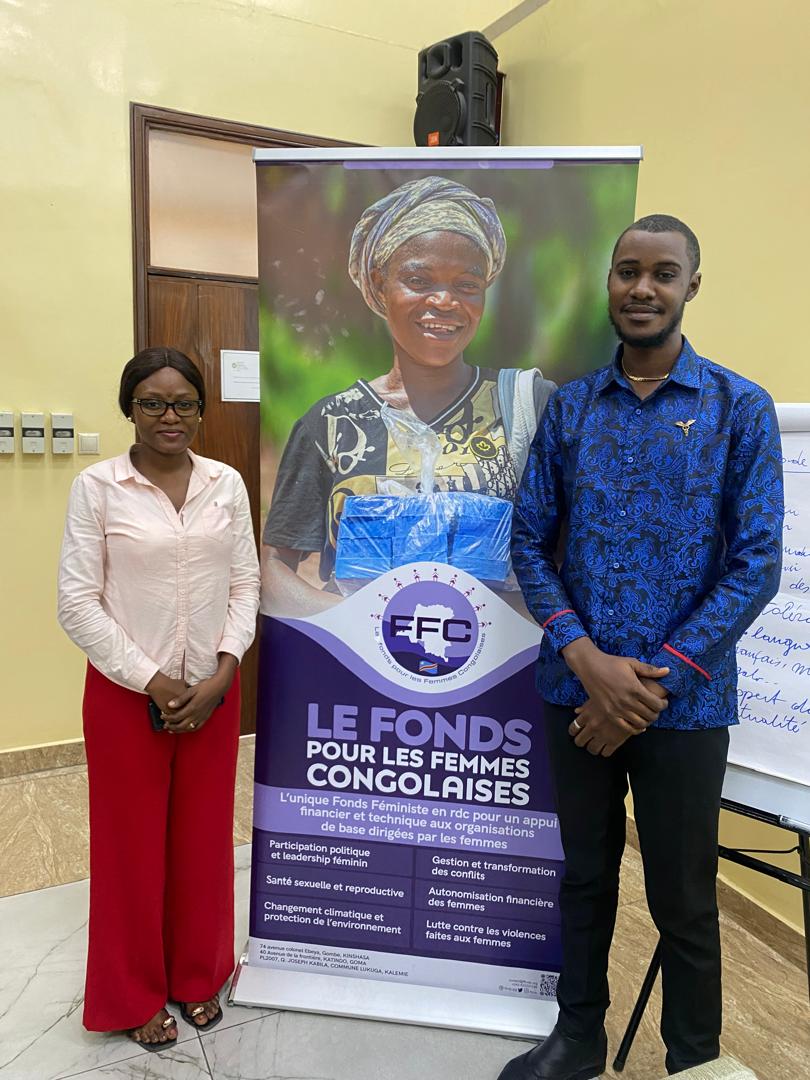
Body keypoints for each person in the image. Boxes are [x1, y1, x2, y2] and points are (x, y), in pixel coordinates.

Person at [502, 215, 784, 1079]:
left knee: (686, 902)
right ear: (610, 283)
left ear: (691, 285)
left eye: (663, 273)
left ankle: (693, 1062)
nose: (643, 288)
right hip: (574, 697)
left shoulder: (740, 408)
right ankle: (577, 1038)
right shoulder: (573, 409)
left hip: (686, 707)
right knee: (584, 878)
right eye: (628, 272)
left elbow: (757, 563)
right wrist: (589, 663)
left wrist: (647, 688)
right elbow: (527, 542)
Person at [57, 348, 260, 1050]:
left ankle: (198, 974)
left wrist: (224, 670)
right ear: (130, 409)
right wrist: (152, 679)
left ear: (203, 410)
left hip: (212, 693)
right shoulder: (97, 487)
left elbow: (246, 585)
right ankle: (131, 993)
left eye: (183, 403)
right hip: (124, 697)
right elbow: (77, 603)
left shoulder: (225, 484)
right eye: (153, 403)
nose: (169, 416)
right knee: (130, 850)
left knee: (204, 842)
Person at [262, 175, 555, 615]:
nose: (444, 301)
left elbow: (575, 554)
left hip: (503, 672)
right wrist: (369, 623)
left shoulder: (529, 405)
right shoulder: (331, 424)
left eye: (466, 285)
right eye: (419, 279)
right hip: (359, 671)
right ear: (380, 285)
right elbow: (273, 570)